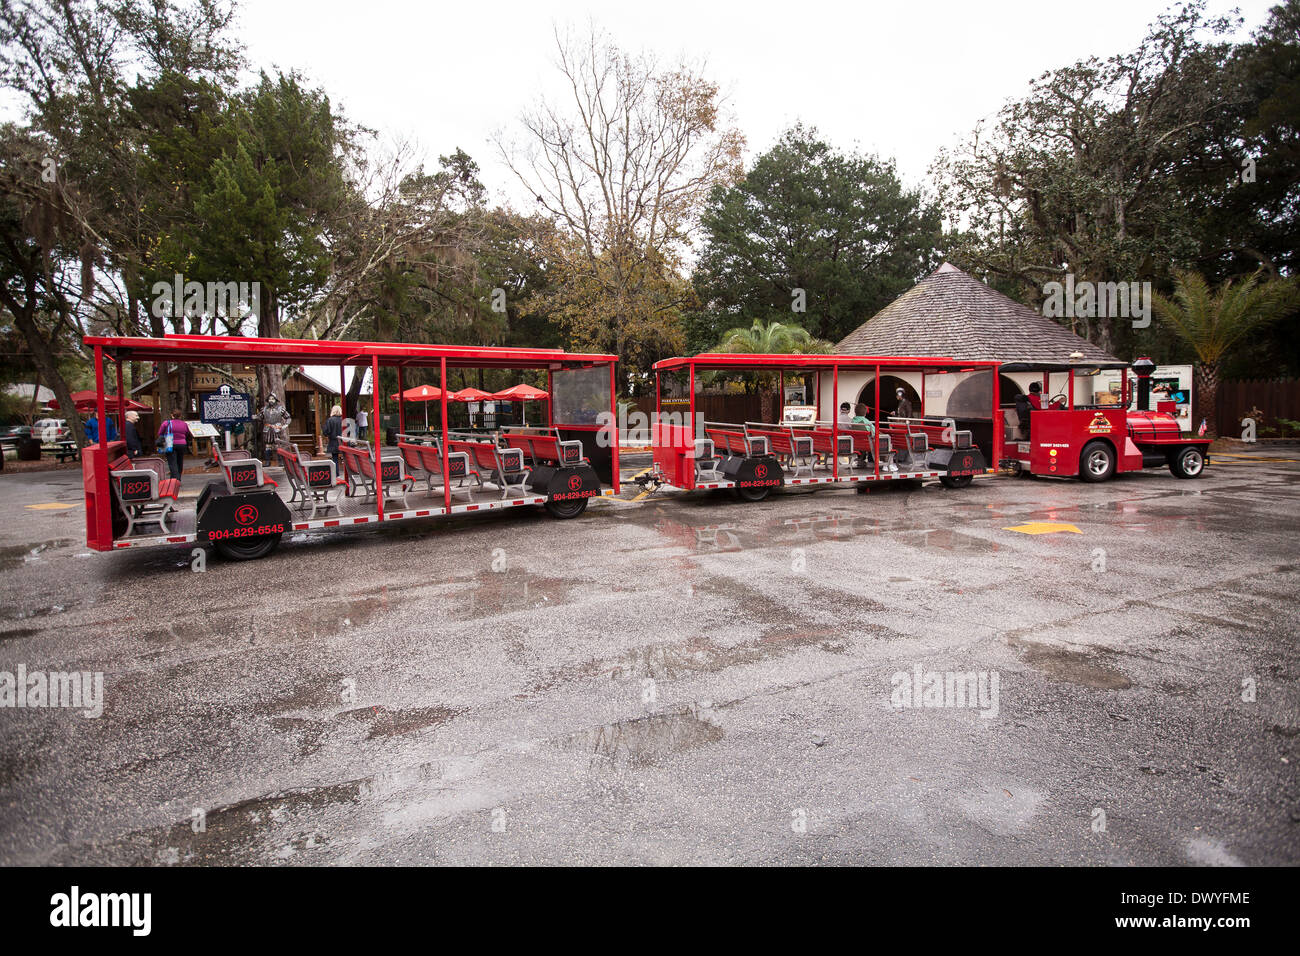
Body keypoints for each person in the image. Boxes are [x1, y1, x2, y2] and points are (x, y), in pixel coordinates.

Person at [157, 409, 192, 481]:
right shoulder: (184, 424)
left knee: (172, 462)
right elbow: (187, 433)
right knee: (180, 461)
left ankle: (176, 479)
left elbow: (160, 433)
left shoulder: (166, 423)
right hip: (182, 444)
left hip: (170, 444)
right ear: (180, 416)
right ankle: (177, 477)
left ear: (172, 415)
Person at [260, 393, 290, 462]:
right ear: (268, 400)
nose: (271, 400)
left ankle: (280, 462)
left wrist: (285, 425)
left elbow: (288, 417)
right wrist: (254, 417)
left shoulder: (280, 409)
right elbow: (260, 418)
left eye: (273, 399)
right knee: (267, 446)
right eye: (270, 399)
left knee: (278, 445)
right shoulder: (263, 409)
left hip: (277, 429)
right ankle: (267, 462)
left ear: (275, 400)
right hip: (267, 429)